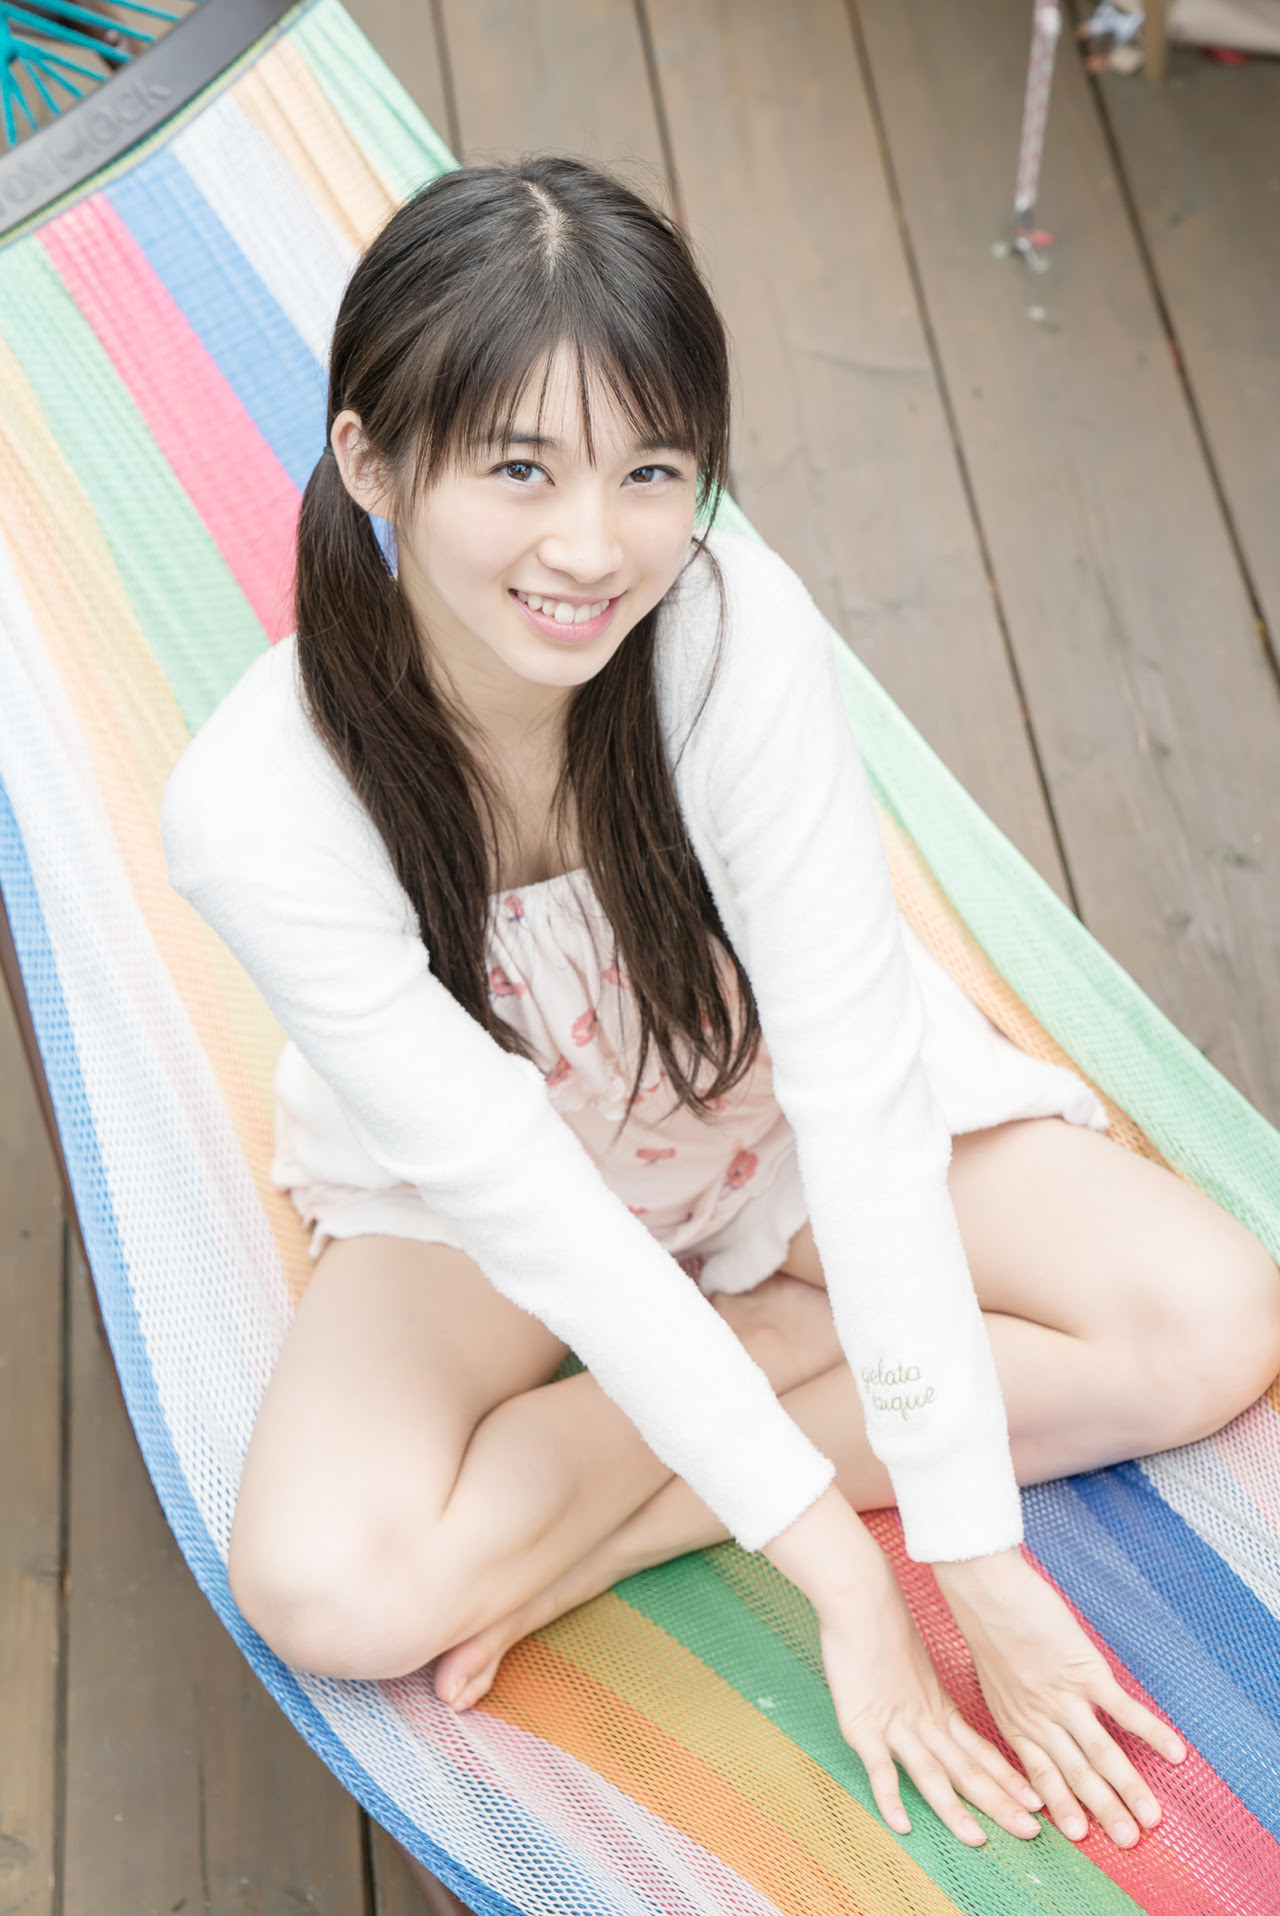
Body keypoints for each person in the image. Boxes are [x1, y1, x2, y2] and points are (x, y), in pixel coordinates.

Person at [162, 156, 1280, 1859]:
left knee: (1211, 1320)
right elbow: (526, 1204)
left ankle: (661, 1488)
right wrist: (850, 1579)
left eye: (652, 470)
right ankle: (762, 1361)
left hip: (767, 1123)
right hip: (485, 1210)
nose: (592, 546)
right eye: (519, 468)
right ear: (372, 460)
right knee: (331, 1584)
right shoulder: (259, 801)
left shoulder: (730, 637)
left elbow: (855, 1099)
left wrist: (974, 1561)